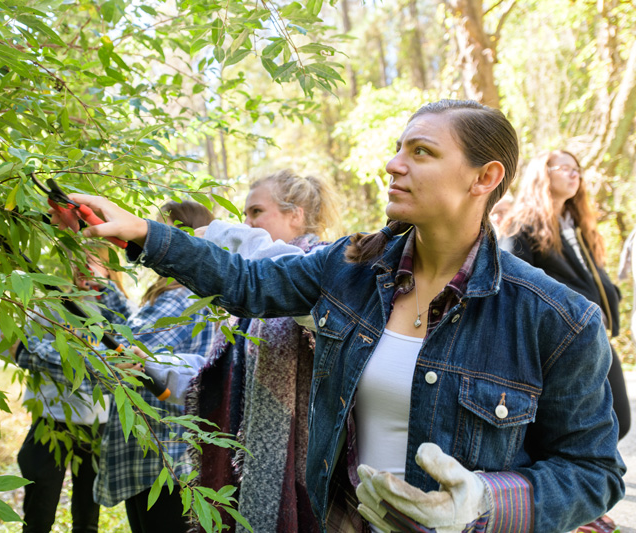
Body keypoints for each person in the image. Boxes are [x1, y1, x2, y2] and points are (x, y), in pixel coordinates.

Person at [56, 100, 625, 533]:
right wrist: (143, 232)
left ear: (485, 178)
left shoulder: (557, 317)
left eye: (421, 153)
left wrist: (480, 500)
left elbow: (593, 472)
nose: (392, 165)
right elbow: (248, 282)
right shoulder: (351, 268)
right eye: (399, 148)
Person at [180, 170, 340, 533]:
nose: (247, 222)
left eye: (256, 212)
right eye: (245, 214)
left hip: (307, 462)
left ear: (294, 214)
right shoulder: (250, 291)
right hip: (245, 456)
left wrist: (225, 239)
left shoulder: (325, 269)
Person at [499, 150, 630, 533]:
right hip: (556, 348)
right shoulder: (523, 224)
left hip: (595, 341)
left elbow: (593, 281)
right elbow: (511, 280)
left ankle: (577, 507)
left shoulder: (575, 224)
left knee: (616, 419)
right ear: (544, 173)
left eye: (578, 169)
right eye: (566, 168)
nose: (575, 175)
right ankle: (572, 511)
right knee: (569, 430)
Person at [93, 200, 219, 533]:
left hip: (169, 462)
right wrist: (101, 284)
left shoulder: (192, 298)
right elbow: (130, 337)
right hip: (150, 459)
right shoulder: (169, 295)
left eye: (158, 230)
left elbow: (130, 353)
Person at [13, 244, 132, 533]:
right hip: (51, 418)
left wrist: (73, 363)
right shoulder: (51, 302)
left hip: (97, 423)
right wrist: (87, 365)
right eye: (76, 258)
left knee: (87, 514)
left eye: (93, 260)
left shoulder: (117, 308)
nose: (83, 267)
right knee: (39, 508)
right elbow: (27, 350)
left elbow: (121, 364)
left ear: (108, 267)